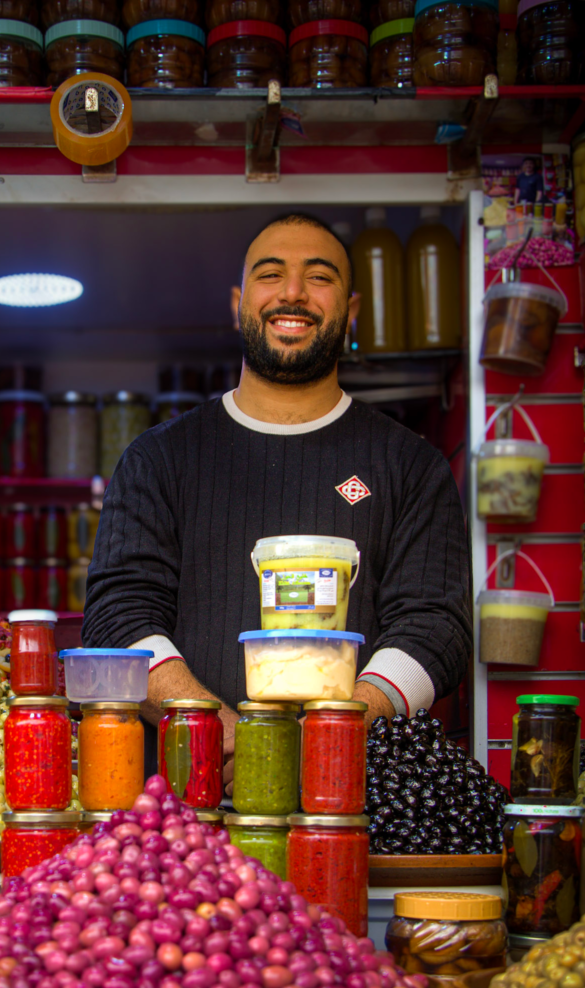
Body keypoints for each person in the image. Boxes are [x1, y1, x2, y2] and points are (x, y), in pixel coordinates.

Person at [81, 212, 472, 788]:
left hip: (348, 805)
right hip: (185, 813)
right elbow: (117, 616)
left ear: (352, 310)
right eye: (271, 275)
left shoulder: (410, 465)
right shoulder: (159, 459)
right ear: (239, 302)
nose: (292, 293)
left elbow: (434, 626)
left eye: (319, 277)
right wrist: (218, 729)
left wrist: (333, 734)